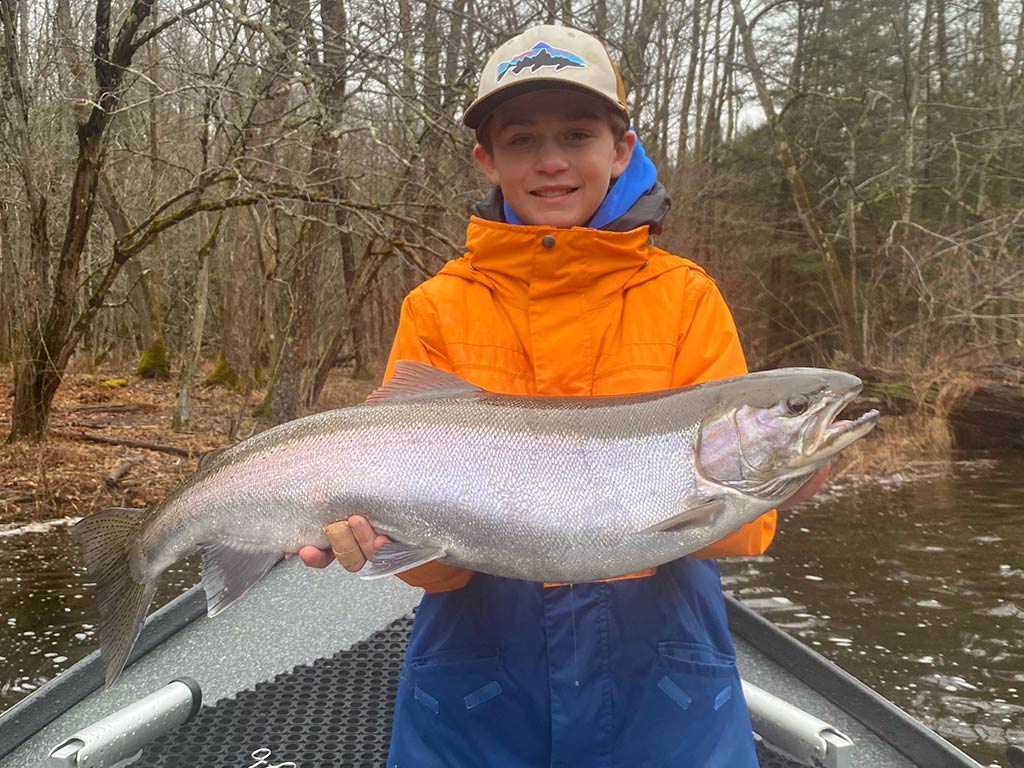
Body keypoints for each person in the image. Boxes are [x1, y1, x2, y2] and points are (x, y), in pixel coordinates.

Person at [301, 24, 825, 767]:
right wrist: (385, 542)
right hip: (476, 680)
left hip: (664, 679)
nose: (551, 162)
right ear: (487, 158)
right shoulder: (436, 308)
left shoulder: (686, 299)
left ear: (620, 148)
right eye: (522, 140)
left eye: (576, 134)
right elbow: (441, 570)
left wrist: (777, 487)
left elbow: (738, 535)